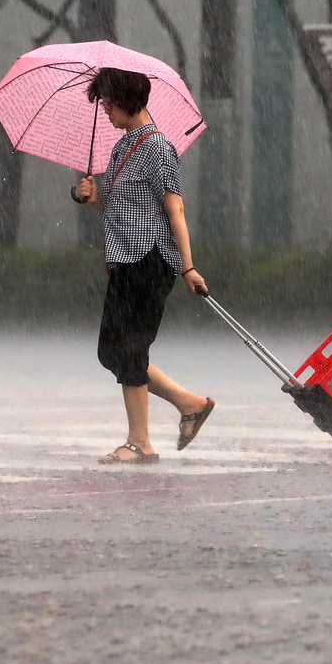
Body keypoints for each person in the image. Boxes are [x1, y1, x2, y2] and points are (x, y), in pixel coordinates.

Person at [74, 67, 214, 464]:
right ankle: (190, 404)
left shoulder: (158, 148)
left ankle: (139, 443)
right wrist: (93, 198)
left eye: (108, 103)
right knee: (111, 351)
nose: (105, 112)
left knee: (131, 350)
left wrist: (188, 267)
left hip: (149, 261)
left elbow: (175, 209)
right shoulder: (121, 149)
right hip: (122, 262)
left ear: (127, 100)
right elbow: (119, 211)